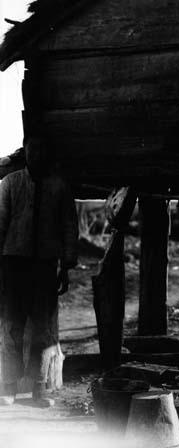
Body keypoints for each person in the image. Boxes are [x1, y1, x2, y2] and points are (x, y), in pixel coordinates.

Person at [0, 135, 78, 407]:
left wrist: (67, 265)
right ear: (26, 151)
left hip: (45, 267)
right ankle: (7, 387)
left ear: (48, 154)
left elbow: (69, 227)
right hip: (13, 264)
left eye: (42, 150)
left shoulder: (59, 187)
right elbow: (0, 224)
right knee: (11, 326)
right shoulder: (10, 183)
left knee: (42, 331)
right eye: (33, 150)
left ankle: (38, 389)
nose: (37, 155)